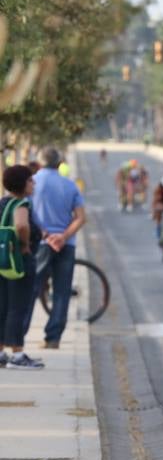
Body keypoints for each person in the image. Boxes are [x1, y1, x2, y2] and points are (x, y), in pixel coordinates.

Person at [29, 149, 85, 349]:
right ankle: (53, 338)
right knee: (62, 291)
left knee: (31, 289)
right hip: (65, 245)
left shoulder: (32, 183)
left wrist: (46, 234)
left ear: (39, 161)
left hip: (41, 244)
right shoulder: (69, 185)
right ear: (60, 162)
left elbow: (27, 214)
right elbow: (80, 217)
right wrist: (62, 236)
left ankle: (18, 336)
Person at [0, 165, 43, 369]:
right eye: (30, 180)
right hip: (19, 261)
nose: (33, 184)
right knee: (19, 307)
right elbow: (21, 225)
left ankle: (1, 353)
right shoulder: (21, 204)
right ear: (22, 184)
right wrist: (25, 245)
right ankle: (17, 355)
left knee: (3, 306)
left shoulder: (3, 202)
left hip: (3, 262)